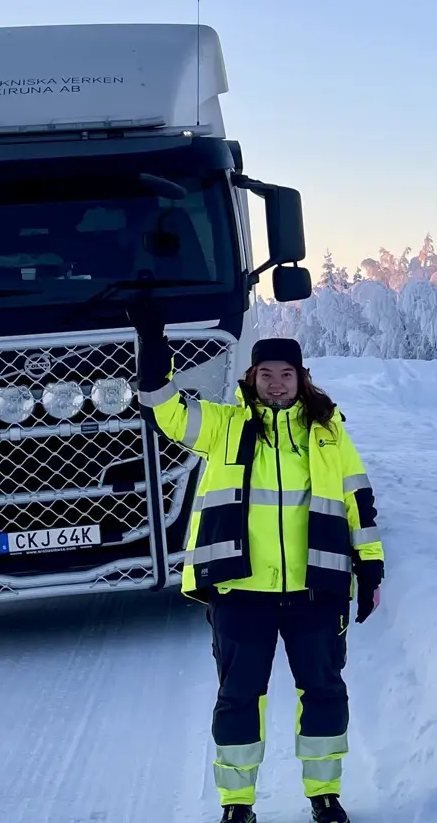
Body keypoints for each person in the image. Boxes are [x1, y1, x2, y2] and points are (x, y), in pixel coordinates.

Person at [133, 325, 384, 823]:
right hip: (241, 589)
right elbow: (165, 410)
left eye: (285, 374)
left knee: (324, 693)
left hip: (316, 588)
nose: (275, 383)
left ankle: (324, 795)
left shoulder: (328, 431)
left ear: (301, 378)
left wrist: (370, 565)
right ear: (250, 377)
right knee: (240, 697)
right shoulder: (222, 425)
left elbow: (358, 500)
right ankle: (237, 805)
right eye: (265, 373)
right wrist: (152, 348)